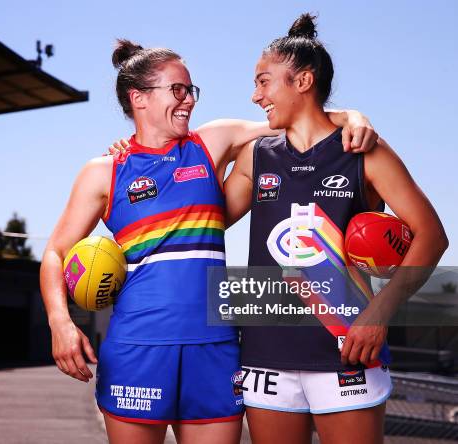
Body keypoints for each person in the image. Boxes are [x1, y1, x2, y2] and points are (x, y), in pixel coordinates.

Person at [39, 38, 378, 444]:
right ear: (139, 98)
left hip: (215, 349)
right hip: (137, 348)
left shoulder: (211, 142)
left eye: (191, 90)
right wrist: (60, 322)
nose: (189, 101)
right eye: (177, 90)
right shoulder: (104, 172)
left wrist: (353, 117)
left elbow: (300, 116)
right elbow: (56, 253)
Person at [223, 13, 449, 444]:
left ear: (303, 81)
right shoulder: (257, 156)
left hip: (347, 345)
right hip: (266, 349)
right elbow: (205, 220)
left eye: (264, 81)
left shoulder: (364, 150)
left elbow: (432, 235)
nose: (255, 95)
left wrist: (378, 313)